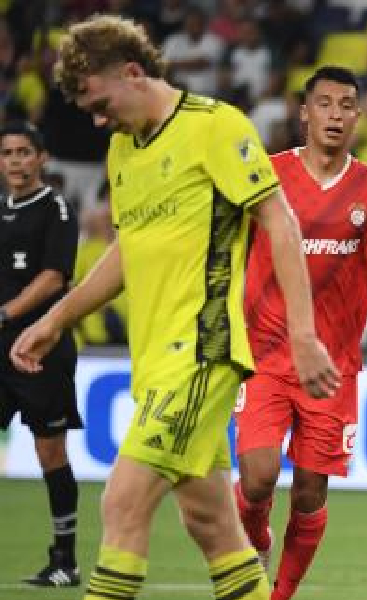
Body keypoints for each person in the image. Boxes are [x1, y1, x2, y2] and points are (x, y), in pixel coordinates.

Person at [10, 15, 339, 600]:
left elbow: (278, 220)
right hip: (156, 361)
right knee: (212, 526)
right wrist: (55, 318)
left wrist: (303, 334)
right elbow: (127, 252)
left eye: (99, 100)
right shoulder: (121, 150)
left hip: (202, 351)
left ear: (133, 73)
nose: (96, 118)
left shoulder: (214, 127)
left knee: (122, 502)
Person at [233, 66, 367, 600]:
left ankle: (278, 595)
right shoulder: (265, 176)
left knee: (309, 491)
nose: (335, 114)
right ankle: (254, 540)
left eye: (346, 105)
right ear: (303, 112)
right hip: (264, 355)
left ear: (358, 114)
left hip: (332, 370)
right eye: (324, 104)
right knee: (258, 477)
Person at [0, 121, 80, 586]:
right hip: (1, 348)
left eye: (23, 152)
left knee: (50, 451)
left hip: (41, 347)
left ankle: (64, 561)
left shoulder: (56, 209)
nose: (15, 161)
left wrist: (7, 314)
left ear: (41, 158)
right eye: (8, 153)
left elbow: (54, 277)